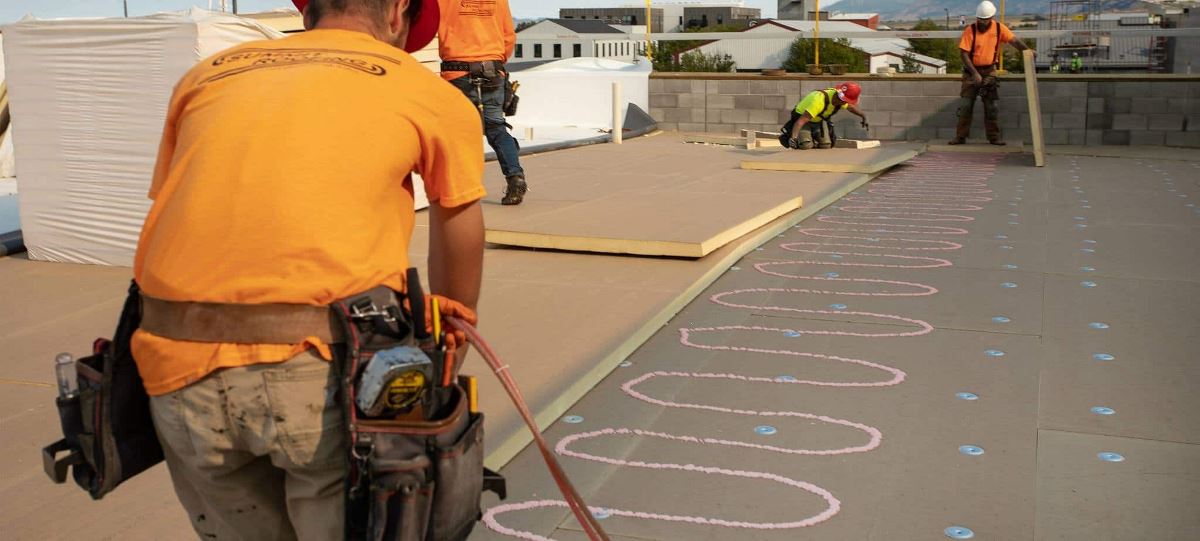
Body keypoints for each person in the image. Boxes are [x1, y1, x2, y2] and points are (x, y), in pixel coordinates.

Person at [130, 0, 487, 538]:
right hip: (320, 375)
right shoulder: (425, 92)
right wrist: (452, 333)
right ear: (397, 12)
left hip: (174, 365)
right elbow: (458, 220)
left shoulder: (208, 75)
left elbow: (176, 202)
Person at [437, 0, 527, 205]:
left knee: (458, 132)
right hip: (492, 71)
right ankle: (515, 177)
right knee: (496, 128)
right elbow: (508, 36)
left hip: (456, 71)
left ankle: (459, 188)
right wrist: (497, 61)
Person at [950, 0, 1035, 146]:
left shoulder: (998, 29)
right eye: (980, 19)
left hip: (989, 71)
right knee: (966, 106)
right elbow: (964, 54)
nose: (982, 22)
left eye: (985, 19)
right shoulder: (970, 30)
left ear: (991, 18)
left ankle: (994, 137)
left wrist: (1027, 51)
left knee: (991, 107)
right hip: (971, 72)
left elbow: (1014, 41)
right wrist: (975, 73)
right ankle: (960, 136)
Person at [779, 82, 869, 150]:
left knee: (826, 145)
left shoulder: (840, 101)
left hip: (818, 121)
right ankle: (802, 139)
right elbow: (801, 121)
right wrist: (793, 138)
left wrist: (863, 116)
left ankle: (810, 138)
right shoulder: (818, 101)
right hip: (803, 121)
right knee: (805, 145)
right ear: (842, 98)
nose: (846, 103)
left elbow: (851, 107)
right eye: (845, 101)